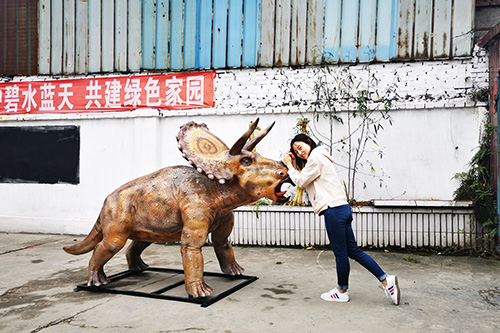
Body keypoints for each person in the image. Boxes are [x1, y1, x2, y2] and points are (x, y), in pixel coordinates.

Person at [281, 134, 400, 305]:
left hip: (333, 211)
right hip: (342, 208)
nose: (299, 153)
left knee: (341, 254)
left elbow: (300, 181)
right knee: (353, 251)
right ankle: (386, 280)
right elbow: (305, 177)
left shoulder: (315, 157)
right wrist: (293, 164)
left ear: (308, 142)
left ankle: (342, 291)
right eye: (296, 151)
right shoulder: (320, 156)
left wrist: (288, 166)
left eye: (300, 147)